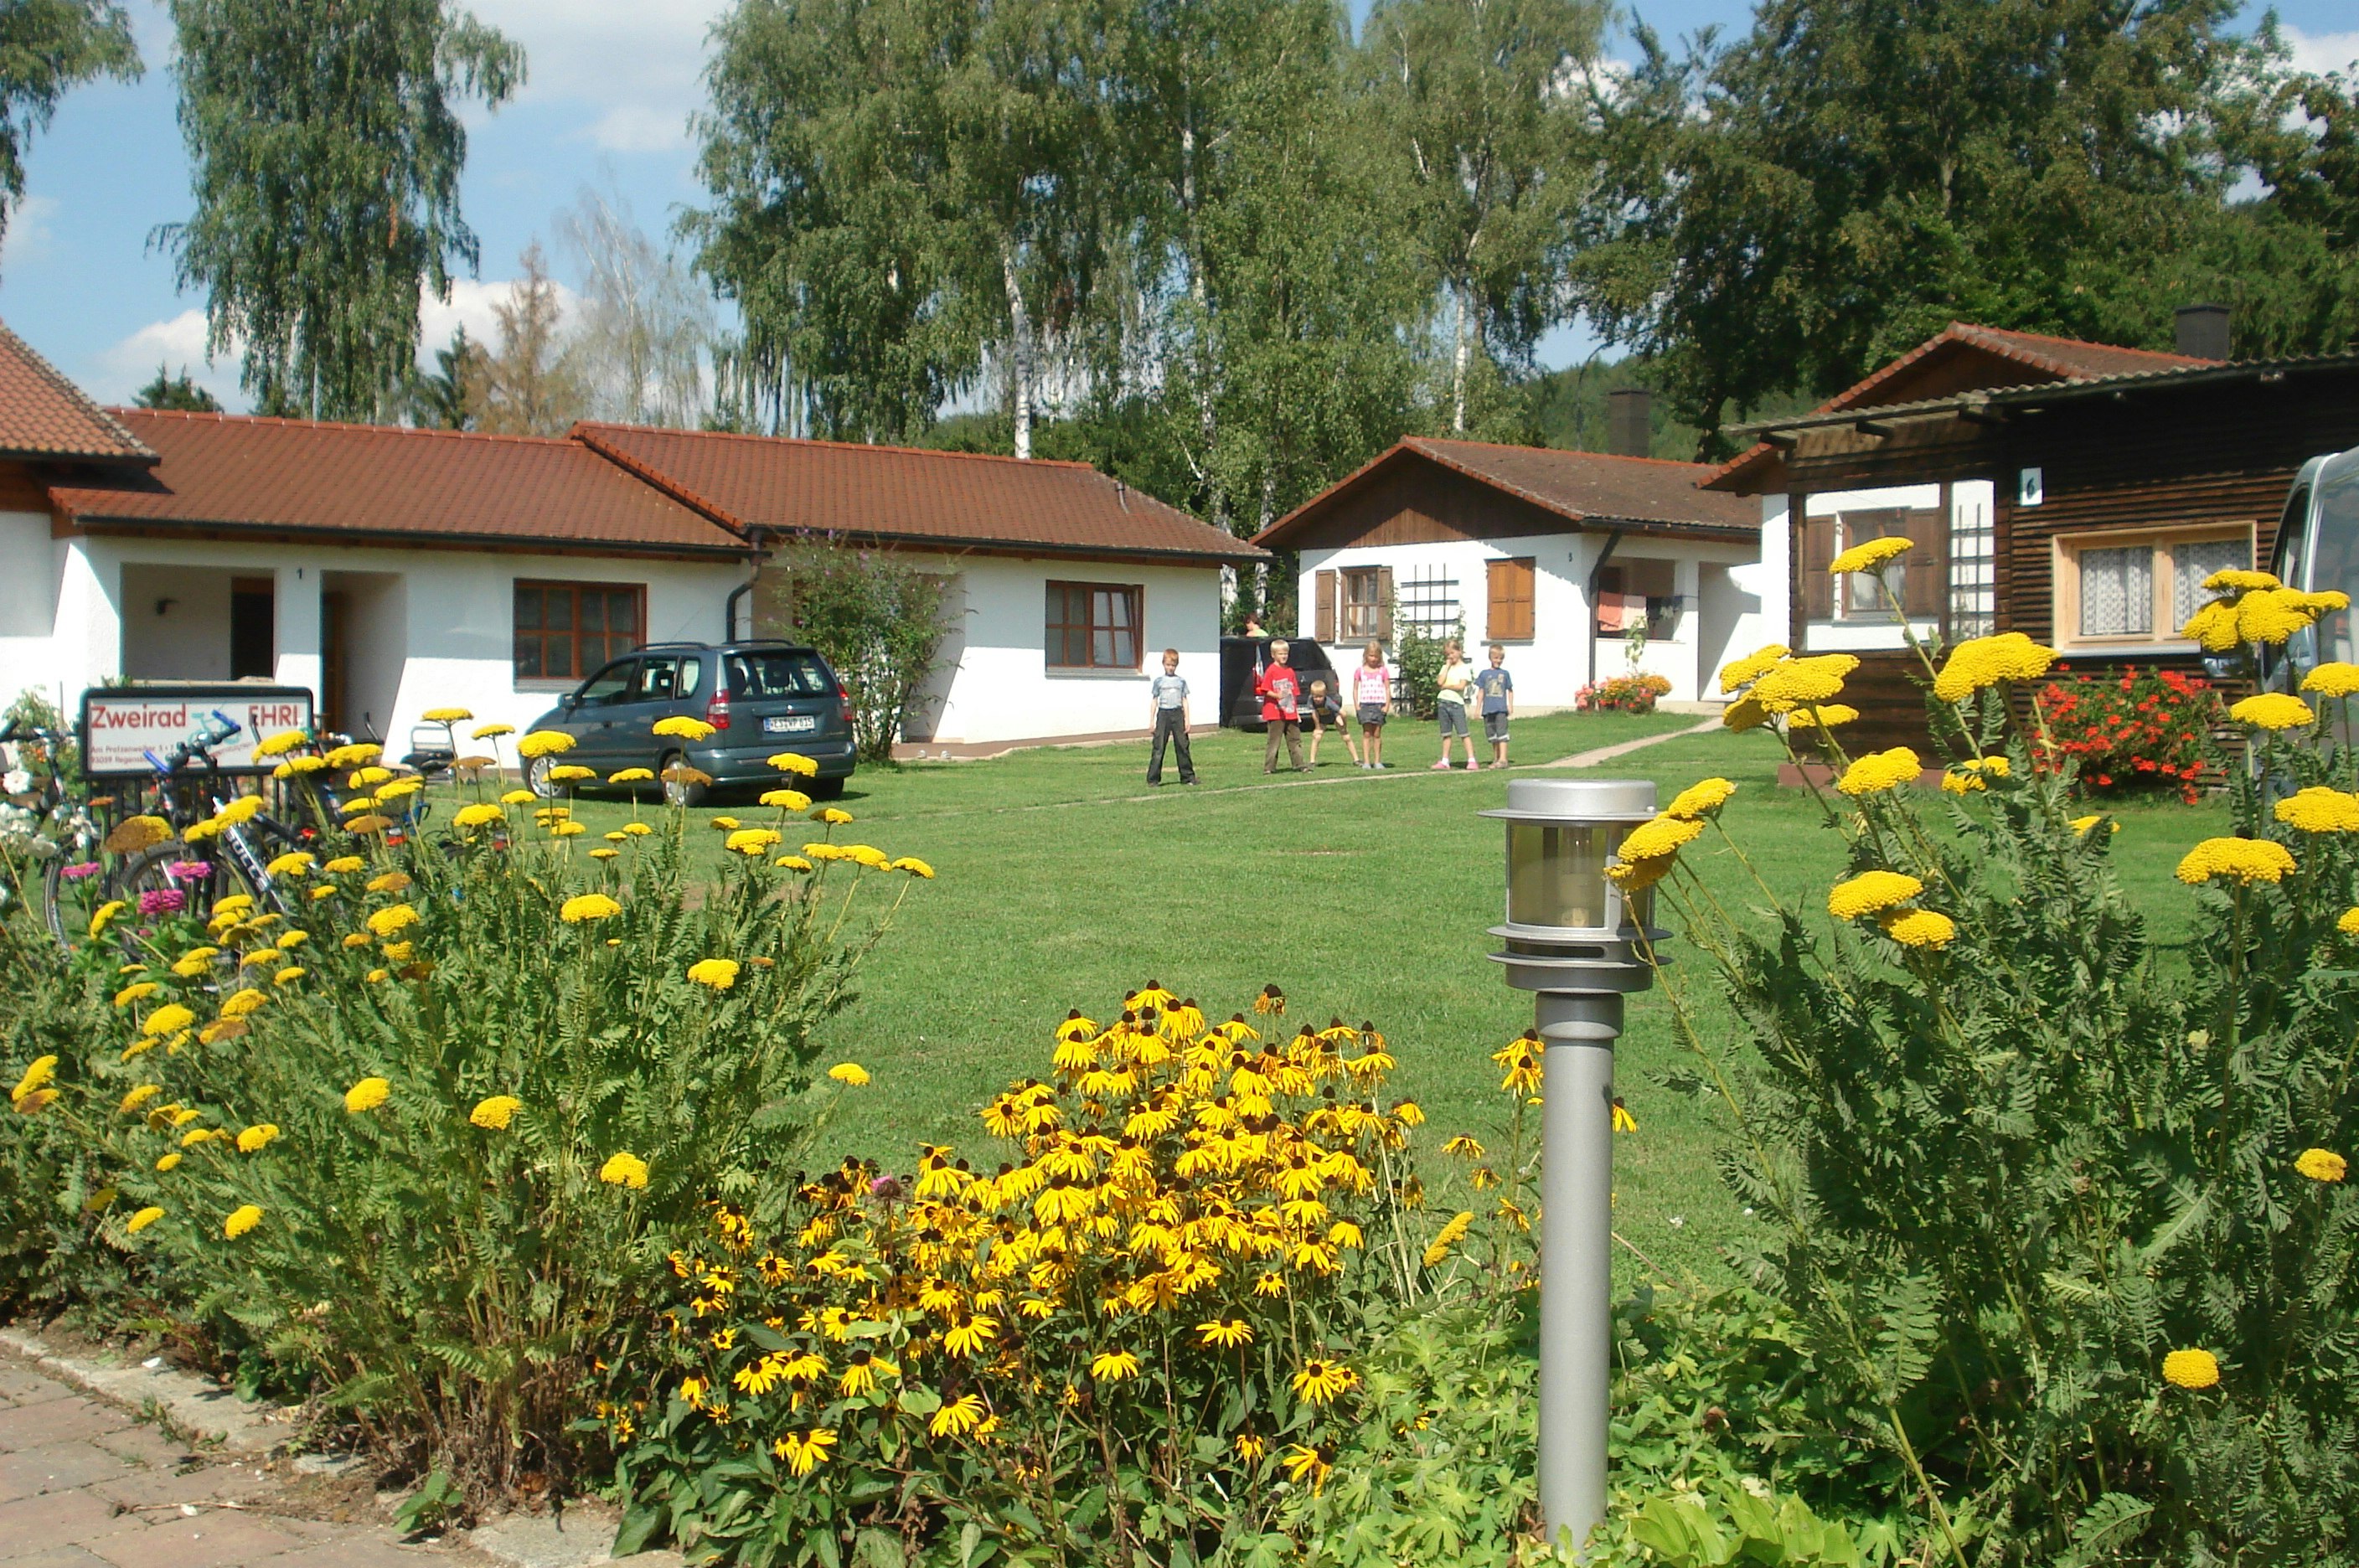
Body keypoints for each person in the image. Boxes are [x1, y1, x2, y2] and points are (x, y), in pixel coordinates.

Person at [1145, 647, 1195, 786]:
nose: (1170, 668)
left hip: (1177, 714)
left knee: (1182, 746)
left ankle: (1188, 777)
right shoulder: (1159, 681)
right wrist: (1151, 721)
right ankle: (1153, 779)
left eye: (1173, 665)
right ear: (1163, 664)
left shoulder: (1181, 682)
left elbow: (1184, 700)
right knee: (1159, 747)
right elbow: (1154, 701)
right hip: (1163, 714)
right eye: (1168, 665)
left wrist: (1187, 720)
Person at [1256, 640, 1306, 773]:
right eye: (1280, 654)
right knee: (1274, 741)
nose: (1284, 656)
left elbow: (1294, 693)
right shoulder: (1271, 671)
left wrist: (1296, 712)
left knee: (1295, 740)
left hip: (1290, 712)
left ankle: (1299, 764)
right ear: (1273, 655)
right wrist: (1276, 696)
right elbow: (1265, 689)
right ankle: (1269, 768)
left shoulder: (1290, 671)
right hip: (1275, 712)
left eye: (1286, 654)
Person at [1432, 640, 1477, 770]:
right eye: (1448, 654)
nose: (1450, 656)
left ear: (1459, 651)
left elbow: (1461, 686)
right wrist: (1446, 666)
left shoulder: (1464, 668)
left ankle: (1471, 759)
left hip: (1456, 704)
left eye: (1452, 653)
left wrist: (1447, 686)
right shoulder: (1446, 667)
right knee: (1446, 734)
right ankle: (1445, 760)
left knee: (1463, 733)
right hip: (1443, 702)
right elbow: (1440, 681)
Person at [1350, 641, 1393, 768]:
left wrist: (1386, 705)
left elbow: (1387, 689)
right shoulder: (1360, 671)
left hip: (1379, 705)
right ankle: (1367, 761)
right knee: (1367, 734)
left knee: (1377, 734)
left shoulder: (1383, 671)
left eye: (1375, 656)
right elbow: (1355, 688)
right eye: (1371, 656)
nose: (1373, 659)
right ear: (1366, 655)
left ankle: (1377, 761)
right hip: (1365, 705)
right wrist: (1357, 705)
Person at [1473, 643, 1515, 768]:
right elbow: (1481, 692)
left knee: (1502, 734)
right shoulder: (1484, 674)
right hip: (1488, 709)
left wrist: (1510, 705)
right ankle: (1496, 758)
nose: (1498, 661)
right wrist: (1477, 709)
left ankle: (1503, 759)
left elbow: (1510, 690)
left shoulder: (1505, 674)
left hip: (1500, 709)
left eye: (1501, 658)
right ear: (1490, 658)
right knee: (1492, 735)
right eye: (1496, 658)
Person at [1303, 674, 1352, 767]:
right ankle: (1312, 761)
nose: (1317, 699)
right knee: (1316, 737)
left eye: (1320, 697)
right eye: (1315, 696)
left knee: (1346, 737)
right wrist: (1317, 727)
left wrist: (1344, 725)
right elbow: (1315, 714)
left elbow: (1343, 713)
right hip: (1322, 719)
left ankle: (1356, 759)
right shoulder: (1311, 700)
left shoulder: (1329, 702)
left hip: (1334, 716)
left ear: (1325, 694)